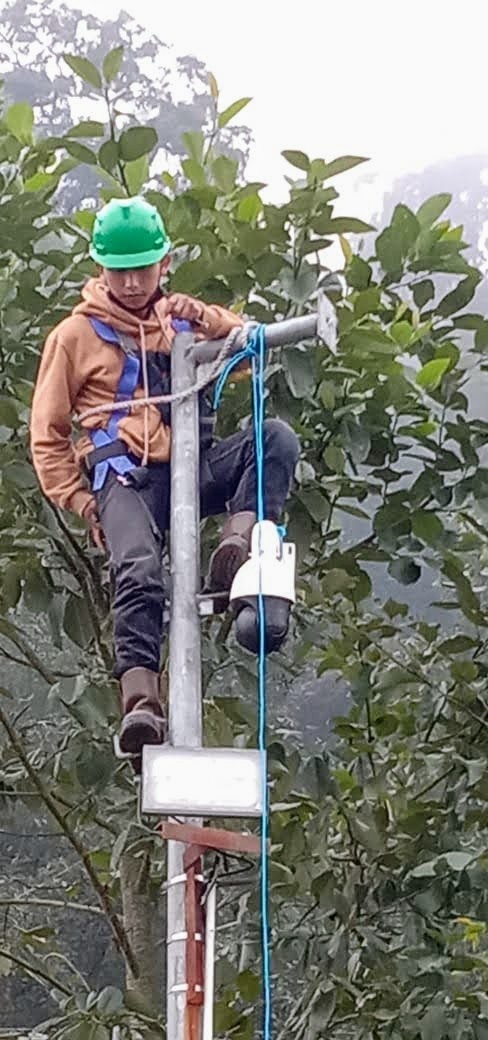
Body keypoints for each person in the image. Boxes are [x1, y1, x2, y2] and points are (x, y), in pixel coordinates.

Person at [30, 196, 299, 765]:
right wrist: (83, 503)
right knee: (137, 568)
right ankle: (141, 703)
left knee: (274, 439)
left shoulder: (182, 322)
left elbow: (250, 347)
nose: (131, 283)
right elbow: (47, 435)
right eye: (119, 271)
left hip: (190, 468)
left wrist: (205, 318)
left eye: (142, 269)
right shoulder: (74, 337)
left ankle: (237, 547)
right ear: (100, 269)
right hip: (125, 477)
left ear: (164, 264)